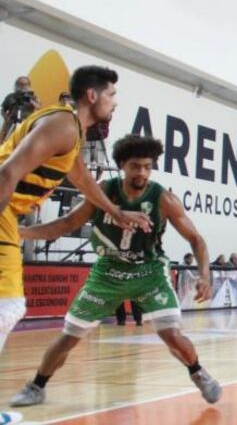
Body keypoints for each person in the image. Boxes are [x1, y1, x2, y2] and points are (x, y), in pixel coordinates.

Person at [9, 134, 221, 409]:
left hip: (149, 273)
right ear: (122, 165)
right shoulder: (103, 192)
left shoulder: (163, 198)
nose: (142, 172)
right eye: (135, 166)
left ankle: (197, 372)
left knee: (172, 335)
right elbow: (65, 224)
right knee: (69, 337)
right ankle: (36, 386)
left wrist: (205, 275)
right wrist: (20, 232)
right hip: (107, 273)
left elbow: (197, 240)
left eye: (147, 166)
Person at [0, 67, 151, 425]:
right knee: (8, 306)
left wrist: (117, 211)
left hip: (7, 214)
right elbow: (7, 172)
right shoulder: (64, 125)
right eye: (112, 95)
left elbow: (82, 179)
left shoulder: (71, 134)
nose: (116, 103)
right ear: (92, 96)